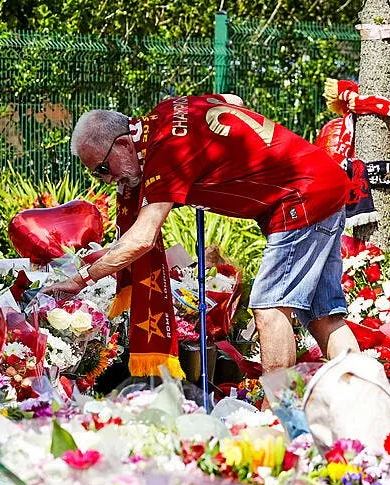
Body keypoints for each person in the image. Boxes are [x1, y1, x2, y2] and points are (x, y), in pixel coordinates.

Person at [45, 95, 359, 373]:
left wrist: (82, 278)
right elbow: (231, 99)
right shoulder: (167, 111)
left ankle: (279, 412)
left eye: (102, 168)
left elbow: (142, 238)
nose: (106, 180)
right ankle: (364, 395)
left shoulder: (165, 152)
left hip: (300, 198)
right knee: (322, 315)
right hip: (320, 182)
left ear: (124, 144)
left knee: (268, 308)